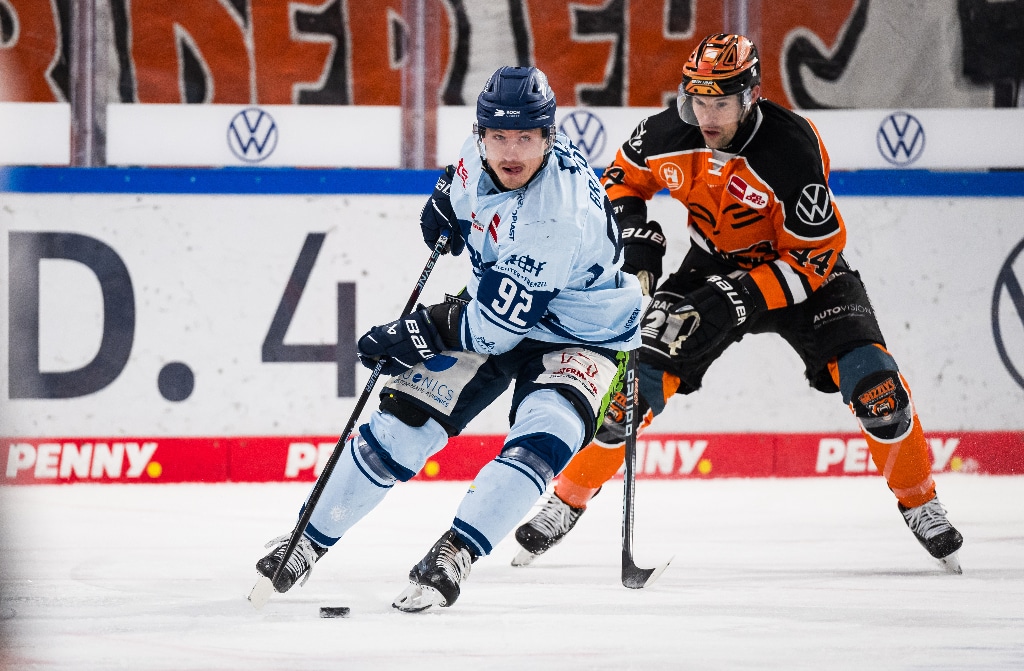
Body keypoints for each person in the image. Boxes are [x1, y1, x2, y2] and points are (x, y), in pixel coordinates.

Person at [512, 34, 964, 574]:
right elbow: (617, 183)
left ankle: (921, 501)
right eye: (698, 100)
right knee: (626, 397)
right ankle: (566, 500)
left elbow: (816, 256)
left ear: (750, 95)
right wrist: (633, 235)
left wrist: (740, 298)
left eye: (721, 103)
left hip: (802, 274)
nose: (706, 115)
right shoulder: (666, 132)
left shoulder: (791, 147)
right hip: (710, 266)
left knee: (878, 388)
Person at [255, 66, 644, 611]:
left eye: (527, 138)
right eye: (499, 137)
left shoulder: (555, 216)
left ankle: (456, 552)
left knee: (546, 433)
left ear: (549, 137)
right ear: (482, 133)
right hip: (501, 305)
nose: (512, 152)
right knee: (402, 422)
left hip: (584, 332)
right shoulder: (480, 150)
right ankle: (307, 542)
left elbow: (491, 329)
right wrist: (444, 204)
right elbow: (459, 181)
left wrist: (411, 332)